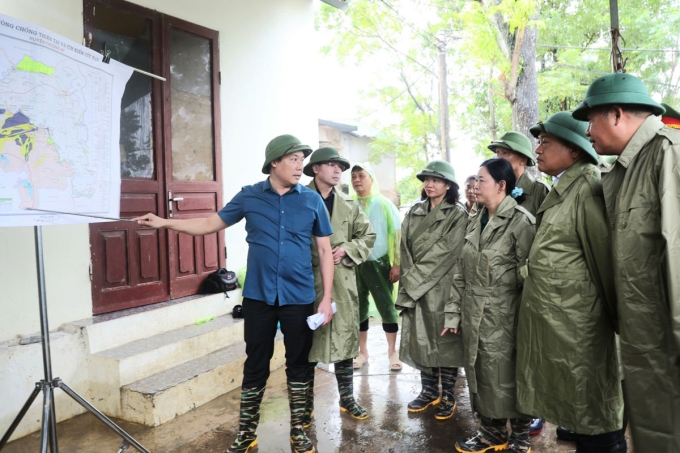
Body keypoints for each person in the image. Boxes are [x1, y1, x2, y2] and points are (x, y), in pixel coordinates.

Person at [133, 134, 335, 453]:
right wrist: (164, 223)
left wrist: (325, 299)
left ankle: (299, 429)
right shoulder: (250, 196)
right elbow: (209, 223)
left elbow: (324, 251)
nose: (301, 166)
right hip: (258, 297)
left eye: (302, 160)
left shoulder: (311, 201)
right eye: (294, 159)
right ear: (274, 163)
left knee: (299, 363)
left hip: (299, 297)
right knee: (255, 362)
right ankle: (246, 431)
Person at [573, 73, 680, 452]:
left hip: (668, 344)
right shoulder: (626, 168)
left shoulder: (668, 153)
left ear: (616, 114)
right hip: (643, 341)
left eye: (591, 120)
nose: (586, 131)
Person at [515, 112, 625, 453]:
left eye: (546, 142)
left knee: (595, 415)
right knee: (579, 409)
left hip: (583, 328)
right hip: (564, 324)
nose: (538, 148)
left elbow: (605, 265)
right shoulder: (566, 187)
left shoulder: (588, 188)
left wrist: (612, 328)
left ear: (575, 151)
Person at [452, 158, 536, 453]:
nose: (475, 185)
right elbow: (460, 271)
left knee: (513, 375)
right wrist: (453, 313)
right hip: (474, 312)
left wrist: (528, 322)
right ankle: (492, 433)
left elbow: (530, 278)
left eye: (481, 180)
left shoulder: (520, 221)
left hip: (507, 315)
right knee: (482, 373)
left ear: (501, 185)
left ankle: (521, 437)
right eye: (474, 179)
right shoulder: (475, 218)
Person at [304, 147, 376, 422]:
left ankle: (347, 398)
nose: (337, 171)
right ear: (315, 169)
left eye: (339, 167)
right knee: (307, 343)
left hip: (343, 280)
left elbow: (367, 235)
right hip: (308, 280)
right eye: (331, 165)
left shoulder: (348, 204)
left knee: (346, 338)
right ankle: (305, 404)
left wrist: (347, 248)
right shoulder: (300, 199)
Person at [397, 160, 466, 420]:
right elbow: (404, 249)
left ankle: (448, 394)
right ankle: (428, 391)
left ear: (448, 185)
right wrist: (411, 281)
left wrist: (411, 283)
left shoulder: (457, 215)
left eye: (436, 180)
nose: (429, 184)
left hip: (444, 286)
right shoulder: (414, 212)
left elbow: (446, 253)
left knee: (445, 339)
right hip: (418, 287)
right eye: (426, 179)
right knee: (421, 337)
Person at [351, 163, 402, 371]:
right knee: (358, 309)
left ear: (371, 179)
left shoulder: (384, 204)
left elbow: (397, 235)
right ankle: (362, 352)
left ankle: (392, 352)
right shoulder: (349, 204)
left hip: (380, 263)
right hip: (354, 263)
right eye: (353, 176)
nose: (357, 180)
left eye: (361, 176)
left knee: (387, 307)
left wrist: (397, 263)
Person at [488, 131, 550, 216]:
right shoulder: (490, 188)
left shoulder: (539, 190)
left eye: (505, 152)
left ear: (523, 160)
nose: (499, 158)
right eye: (498, 153)